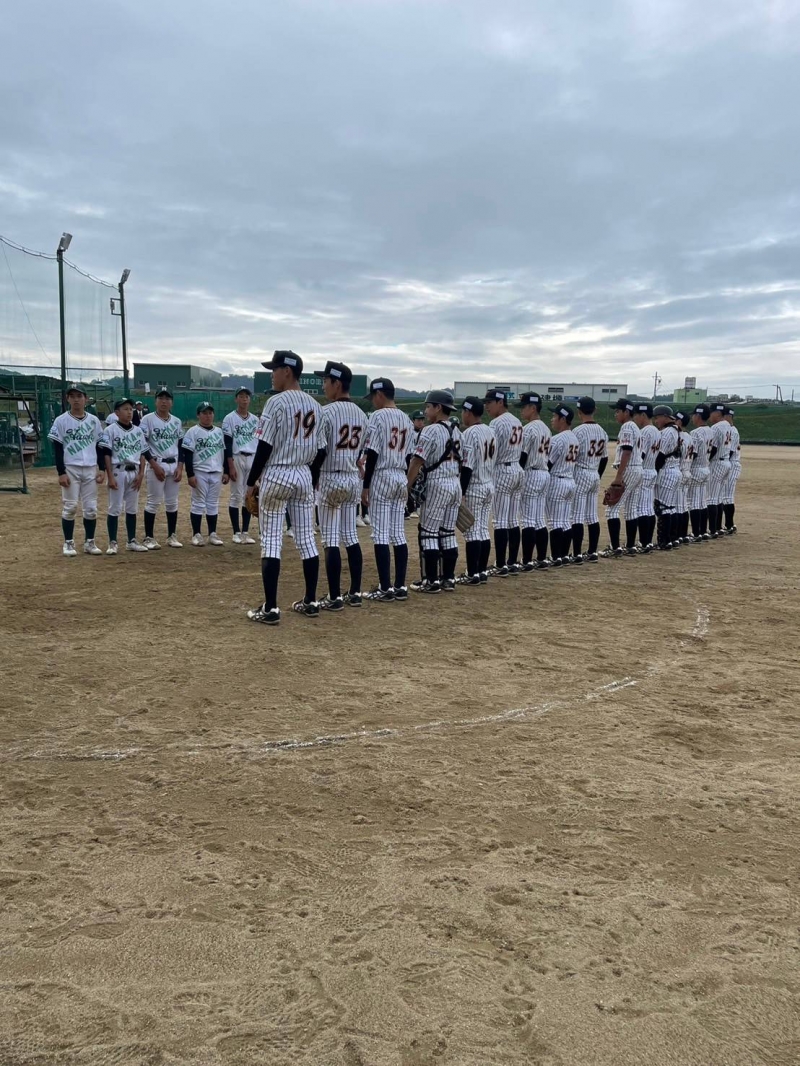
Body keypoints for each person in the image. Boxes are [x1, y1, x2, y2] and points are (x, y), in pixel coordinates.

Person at [245, 351, 322, 624]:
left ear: (287, 371)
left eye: (275, 369)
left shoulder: (275, 402)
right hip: (303, 474)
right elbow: (321, 450)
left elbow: (264, 446)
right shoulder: (316, 405)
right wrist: (311, 477)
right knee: (307, 540)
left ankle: (271, 608)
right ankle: (311, 600)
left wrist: (251, 481)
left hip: (278, 472)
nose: (272, 374)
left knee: (271, 541)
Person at [311, 360, 368, 610]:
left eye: (326, 381)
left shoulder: (325, 412)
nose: (323, 385)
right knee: (351, 535)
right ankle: (354, 592)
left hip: (331, 476)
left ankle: (334, 597)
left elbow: (320, 450)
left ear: (337, 383)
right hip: (352, 477)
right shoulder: (362, 415)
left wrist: (313, 476)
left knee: (331, 539)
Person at [360, 378, 415, 601]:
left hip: (382, 474)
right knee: (398, 534)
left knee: (380, 534)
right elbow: (410, 456)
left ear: (380, 394)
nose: (372, 401)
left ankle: (385, 587)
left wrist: (366, 485)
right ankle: (400, 586)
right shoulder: (407, 419)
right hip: (400, 474)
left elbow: (372, 453)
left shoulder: (378, 417)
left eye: (373, 397)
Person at [407, 390, 463, 593]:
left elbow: (417, 461)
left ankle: (431, 581)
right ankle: (448, 578)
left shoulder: (430, 431)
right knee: (448, 532)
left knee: (429, 532)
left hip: (438, 482)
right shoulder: (458, 431)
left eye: (428, 406)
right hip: (454, 483)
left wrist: (407, 486)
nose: (426, 410)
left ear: (438, 408)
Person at [48, 383, 105, 557]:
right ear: (67, 399)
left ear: (86, 399)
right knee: (70, 507)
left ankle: (89, 542)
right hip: (70, 468)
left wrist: (102, 468)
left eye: (79, 396)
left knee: (91, 508)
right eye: (72, 396)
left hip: (90, 468)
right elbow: (58, 448)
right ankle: (68, 542)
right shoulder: (61, 420)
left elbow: (99, 446)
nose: (76, 400)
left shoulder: (93, 420)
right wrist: (61, 472)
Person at [99, 397, 151, 554]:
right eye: (125, 409)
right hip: (118, 470)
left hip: (134, 471)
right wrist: (110, 476)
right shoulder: (110, 430)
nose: (129, 412)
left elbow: (142, 453)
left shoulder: (138, 431)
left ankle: (131, 541)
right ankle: (112, 542)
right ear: (116, 412)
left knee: (132, 508)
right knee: (115, 508)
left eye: (130, 409)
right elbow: (106, 454)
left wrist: (141, 474)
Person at [484, 389, 523, 575]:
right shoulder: (517, 421)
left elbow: (492, 452)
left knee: (500, 521)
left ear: (500, 402)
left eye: (489, 402)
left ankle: (500, 564)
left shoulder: (496, 423)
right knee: (512, 519)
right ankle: (512, 562)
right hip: (517, 469)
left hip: (502, 470)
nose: (487, 406)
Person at [457, 397, 495, 584]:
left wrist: (462, 491)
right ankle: (481, 572)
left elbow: (467, 467)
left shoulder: (469, 433)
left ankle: (472, 574)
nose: (461, 415)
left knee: (472, 532)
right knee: (483, 530)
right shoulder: (490, 431)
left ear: (468, 412)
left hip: (475, 486)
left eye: (463, 411)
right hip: (489, 483)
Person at [141, 388, 184, 549]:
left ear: (171, 402)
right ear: (155, 401)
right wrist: (154, 465)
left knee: (172, 503)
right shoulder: (147, 419)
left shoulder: (176, 421)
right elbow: (143, 445)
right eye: (160, 398)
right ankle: (149, 537)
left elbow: (181, 446)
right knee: (153, 502)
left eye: (167, 398)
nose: (164, 401)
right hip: (156, 463)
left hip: (174, 464)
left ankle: (171, 536)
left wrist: (180, 467)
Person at [181, 402, 229, 546]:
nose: (208, 416)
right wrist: (190, 474)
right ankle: (196, 534)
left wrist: (226, 471)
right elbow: (188, 455)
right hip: (199, 471)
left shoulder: (219, 432)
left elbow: (224, 452)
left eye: (210, 413)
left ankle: (212, 533)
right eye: (204, 413)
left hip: (216, 472)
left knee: (213, 503)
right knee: (198, 503)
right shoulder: (192, 432)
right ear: (198, 415)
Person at [601, 398, 644, 557]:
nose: (615, 414)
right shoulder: (635, 427)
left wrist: (619, 477)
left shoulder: (627, 427)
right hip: (638, 469)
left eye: (618, 411)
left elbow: (626, 451)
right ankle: (630, 546)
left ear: (626, 412)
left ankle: (615, 548)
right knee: (631, 510)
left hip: (629, 469)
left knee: (611, 510)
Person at [570, 396, 609, 563]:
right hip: (594, 473)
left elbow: (572, 456)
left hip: (581, 472)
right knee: (592, 515)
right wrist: (598, 475)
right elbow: (605, 458)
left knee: (577, 516)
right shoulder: (602, 431)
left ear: (579, 412)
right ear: (595, 410)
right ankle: (592, 552)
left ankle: (577, 554)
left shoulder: (577, 431)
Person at [518, 392, 552, 570]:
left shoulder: (529, 429)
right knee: (539, 520)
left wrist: (518, 473)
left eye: (524, 407)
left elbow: (523, 455)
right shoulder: (546, 428)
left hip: (531, 473)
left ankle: (527, 561)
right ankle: (541, 558)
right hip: (544, 473)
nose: (521, 410)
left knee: (528, 520)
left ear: (533, 408)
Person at [223, 387, 259, 544]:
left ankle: (245, 532)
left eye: (246, 396)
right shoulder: (229, 418)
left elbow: (259, 443)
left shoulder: (256, 420)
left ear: (249, 400)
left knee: (248, 496)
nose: (244, 399)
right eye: (241, 396)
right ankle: (236, 532)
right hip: (237, 457)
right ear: (236, 399)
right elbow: (227, 444)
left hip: (252, 458)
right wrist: (230, 466)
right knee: (236, 495)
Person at [546, 405, 579, 566]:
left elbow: (548, 464)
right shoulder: (574, 438)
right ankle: (564, 555)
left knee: (554, 522)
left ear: (563, 419)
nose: (552, 419)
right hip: (570, 481)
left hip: (557, 481)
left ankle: (556, 557)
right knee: (565, 521)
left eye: (555, 416)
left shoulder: (557, 439)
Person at [653, 405, 683, 550]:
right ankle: (672, 539)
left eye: (657, 417)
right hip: (675, 470)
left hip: (667, 471)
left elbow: (660, 456)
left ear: (665, 417)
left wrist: (654, 471)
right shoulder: (676, 430)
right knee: (671, 508)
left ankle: (664, 541)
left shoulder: (667, 432)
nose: (656, 421)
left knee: (663, 508)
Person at [631, 402, 659, 554]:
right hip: (652, 469)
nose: (634, 418)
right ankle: (647, 542)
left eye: (636, 415)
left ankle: (644, 542)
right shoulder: (656, 431)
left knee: (641, 508)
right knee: (648, 508)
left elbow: (641, 454)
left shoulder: (644, 432)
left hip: (644, 470)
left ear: (643, 415)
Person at [707, 402, 733, 538]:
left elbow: (714, 448)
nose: (709, 415)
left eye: (711, 413)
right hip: (726, 461)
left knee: (711, 498)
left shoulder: (716, 427)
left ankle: (713, 529)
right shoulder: (728, 425)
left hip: (717, 462)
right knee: (718, 497)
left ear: (717, 413)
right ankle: (718, 527)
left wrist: (706, 461)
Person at [688, 404, 713, 540]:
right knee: (702, 502)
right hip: (706, 467)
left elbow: (694, 453)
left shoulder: (695, 433)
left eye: (693, 415)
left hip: (696, 468)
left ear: (698, 416)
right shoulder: (710, 431)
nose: (692, 418)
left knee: (693, 503)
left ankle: (696, 533)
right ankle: (703, 531)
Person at [674, 410, 694, 543]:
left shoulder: (677, 435)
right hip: (688, 471)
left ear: (679, 422)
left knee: (676, 506)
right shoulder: (689, 436)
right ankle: (683, 534)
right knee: (683, 505)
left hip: (680, 471)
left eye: (674, 420)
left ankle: (676, 535)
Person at [722, 408, 741, 533]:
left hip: (732, 464)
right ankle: (729, 525)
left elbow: (730, 452)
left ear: (728, 416)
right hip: (730, 463)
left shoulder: (732, 431)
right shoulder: (730, 429)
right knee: (725, 496)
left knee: (727, 496)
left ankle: (729, 525)